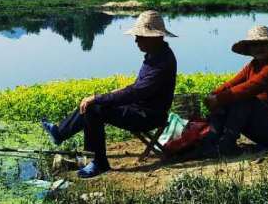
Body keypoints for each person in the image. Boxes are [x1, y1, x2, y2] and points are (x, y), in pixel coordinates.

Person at [41, 10, 177, 179]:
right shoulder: (155, 55)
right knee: (93, 103)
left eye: (140, 36)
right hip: (138, 108)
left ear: (154, 37)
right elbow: (138, 87)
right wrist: (110, 94)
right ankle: (60, 133)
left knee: (94, 108)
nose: (136, 40)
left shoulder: (162, 62)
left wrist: (98, 98)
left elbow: (136, 92)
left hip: (148, 116)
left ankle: (99, 163)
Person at [203, 25, 268, 152]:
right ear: (249, 49)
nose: (259, 48)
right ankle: (212, 139)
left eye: (264, 44)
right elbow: (231, 84)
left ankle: (227, 144)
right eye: (254, 45)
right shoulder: (253, 65)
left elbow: (251, 87)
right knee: (228, 98)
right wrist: (213, 95)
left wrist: (218, 99)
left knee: (243, 99)